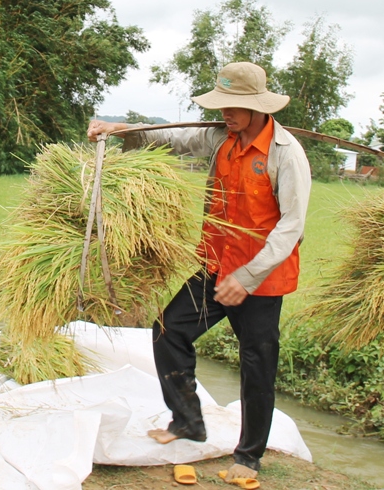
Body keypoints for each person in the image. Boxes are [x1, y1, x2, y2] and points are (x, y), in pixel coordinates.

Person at [87, 61, 311, 485]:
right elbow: (170, 136)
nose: (224, 112)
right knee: (168, 330)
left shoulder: (286, 154)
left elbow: (292, 227)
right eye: (220, 104)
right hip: (215, 265)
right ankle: (188, 420)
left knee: (257, 364)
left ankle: (249, 456)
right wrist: (121, 129)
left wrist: (246, 278)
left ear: (258, 107)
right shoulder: (218, 138)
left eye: (232, 105)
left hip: (261, 279)